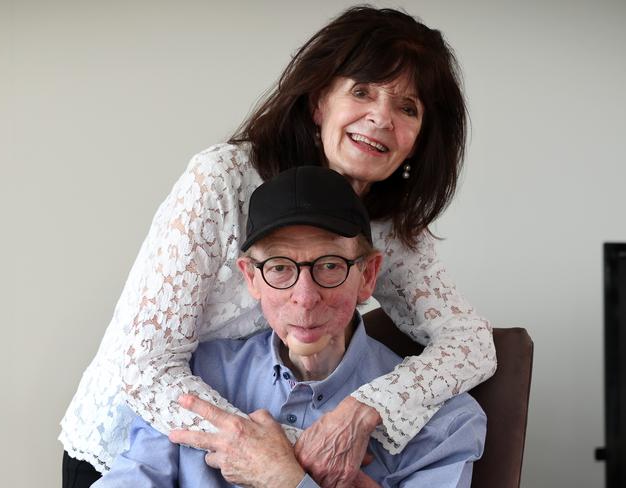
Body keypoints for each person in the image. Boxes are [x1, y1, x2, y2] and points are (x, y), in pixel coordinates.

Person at [60, 6, 496, 488]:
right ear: (318, 103)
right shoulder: (223, 180)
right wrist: (288, 458)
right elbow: (143, 367)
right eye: (362, 91)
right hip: (145, 444)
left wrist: (363, 410)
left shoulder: (388, 230)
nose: (380, 118)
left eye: (407, 108)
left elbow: (471, 344)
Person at [93, 166, 486, 488]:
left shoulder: (446, 423)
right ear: (251, 278)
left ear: (367, 275)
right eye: (280, 268)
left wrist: (285, 480)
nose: (305, 296)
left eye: (330, 265)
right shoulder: (194, 380)